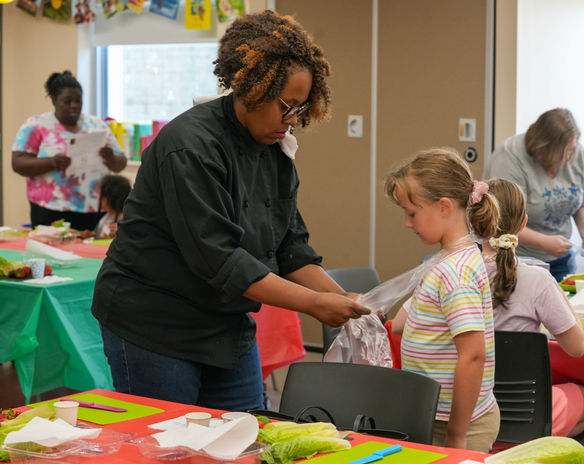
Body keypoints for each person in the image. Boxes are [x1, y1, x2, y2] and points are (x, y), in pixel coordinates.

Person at [91, 10, 370, 411]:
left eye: (300, 109)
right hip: (154, 321)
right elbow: (220, 260)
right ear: (253, 88)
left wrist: (344, 300)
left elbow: (291, 248)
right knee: (168, 439)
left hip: (224, 323)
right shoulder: (189, 147)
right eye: (287, 106)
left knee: (245, 431)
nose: (292, 120)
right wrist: (313, 305)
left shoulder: (275, 149)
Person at [385, 147, 500, 453]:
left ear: (444, 206)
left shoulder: (456, 273)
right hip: (437, 415)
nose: (407, 223)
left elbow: (472, 356)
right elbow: (405, 323)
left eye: (412, 213)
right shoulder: (447, 260)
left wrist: (457, 435)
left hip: (460, 425)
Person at [483, 178, 584, 437]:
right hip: (524, 413)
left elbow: (399, 325)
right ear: (523, 224)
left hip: (466, 409)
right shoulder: (537, 279)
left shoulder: (452, 271)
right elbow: (577, 348)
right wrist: (556, 291)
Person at [483, 108, 584, 281]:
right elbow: (502, 222)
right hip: (514, 258)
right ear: (543, 147)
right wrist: (543, 242)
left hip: (561, 260)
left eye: (571, 150)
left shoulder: (578, 154)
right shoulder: (509, 157)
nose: (568, 157)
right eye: (563, 152)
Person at [12, 70, 127, 231]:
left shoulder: (96, 125)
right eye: (67, 101)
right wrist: (51, 162)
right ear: (54, 100)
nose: (74, 105)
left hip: (94, 208)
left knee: (92, 247)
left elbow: (120, 163)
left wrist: (111, 157)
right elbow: (18, 163)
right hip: (50, 209)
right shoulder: (37, 125)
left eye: (78, 100)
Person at [95, 174, 132, 239]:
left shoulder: (123, 221)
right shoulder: (107, 217)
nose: (97, 197)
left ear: (106, 200)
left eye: (99, 193)